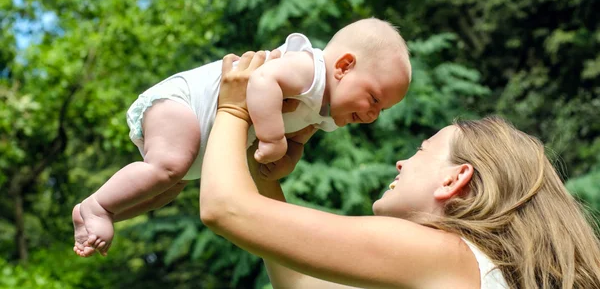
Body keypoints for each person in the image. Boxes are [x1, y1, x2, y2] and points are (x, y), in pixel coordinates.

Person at [200, 50, 600, 289]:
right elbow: (305, 283)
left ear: (454, 179)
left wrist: (233, 107)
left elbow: (225, 208)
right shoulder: (481, 271)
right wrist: (263, 171)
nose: (402, 161)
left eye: (422, 151)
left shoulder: (447, 256)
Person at [72, 18, 412, 257]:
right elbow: (263, 81)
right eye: (373, 99)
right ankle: (97, 205)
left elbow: (298, 139)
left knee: (170, 186)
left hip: (198, 142)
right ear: (344, 66)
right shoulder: (310, 70)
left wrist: (286, 158)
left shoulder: (326, 113)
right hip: (183, 105)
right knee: (170, 166)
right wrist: (273, 138)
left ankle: (108, 213)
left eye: (381, 111)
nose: (371, 116)